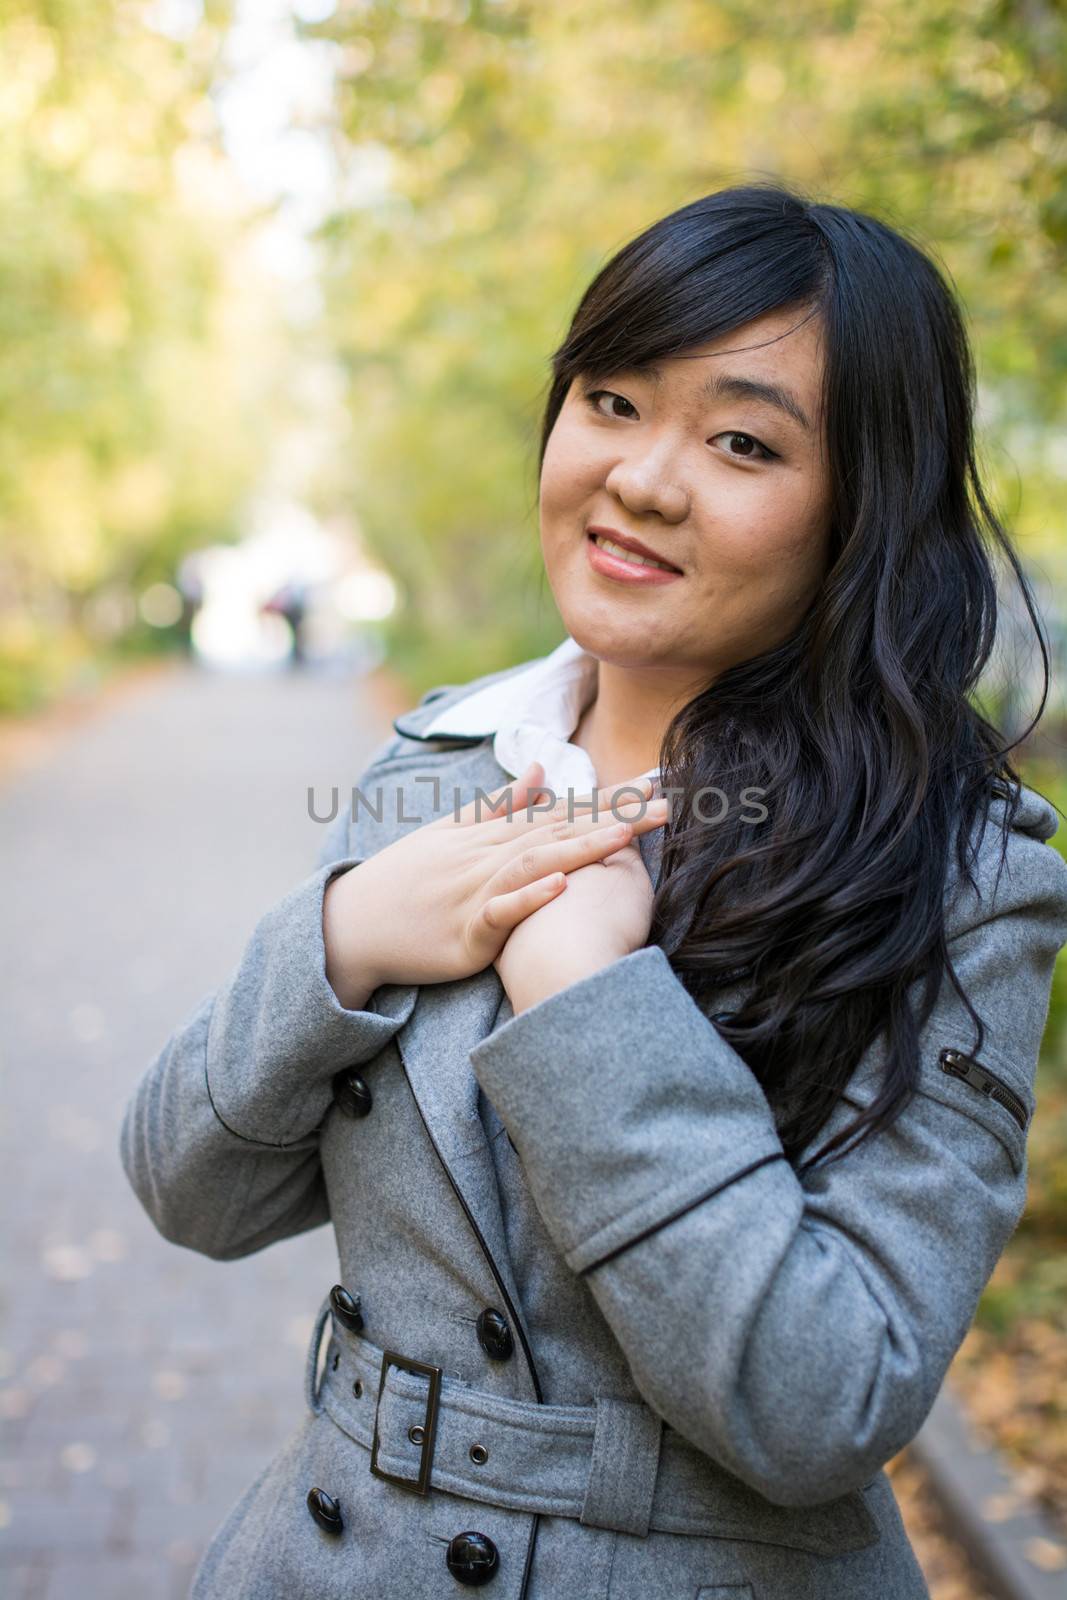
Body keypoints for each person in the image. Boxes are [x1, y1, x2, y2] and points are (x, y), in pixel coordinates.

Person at [119, 183, 1067, 1599]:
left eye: (743, 440)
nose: (642, 478)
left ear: (862, 507)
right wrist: (342, 942)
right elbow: (191, 1192)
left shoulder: (961, 871)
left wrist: (591, 1004)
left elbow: (827, 1405)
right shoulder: (435, 770)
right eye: (613, 401)